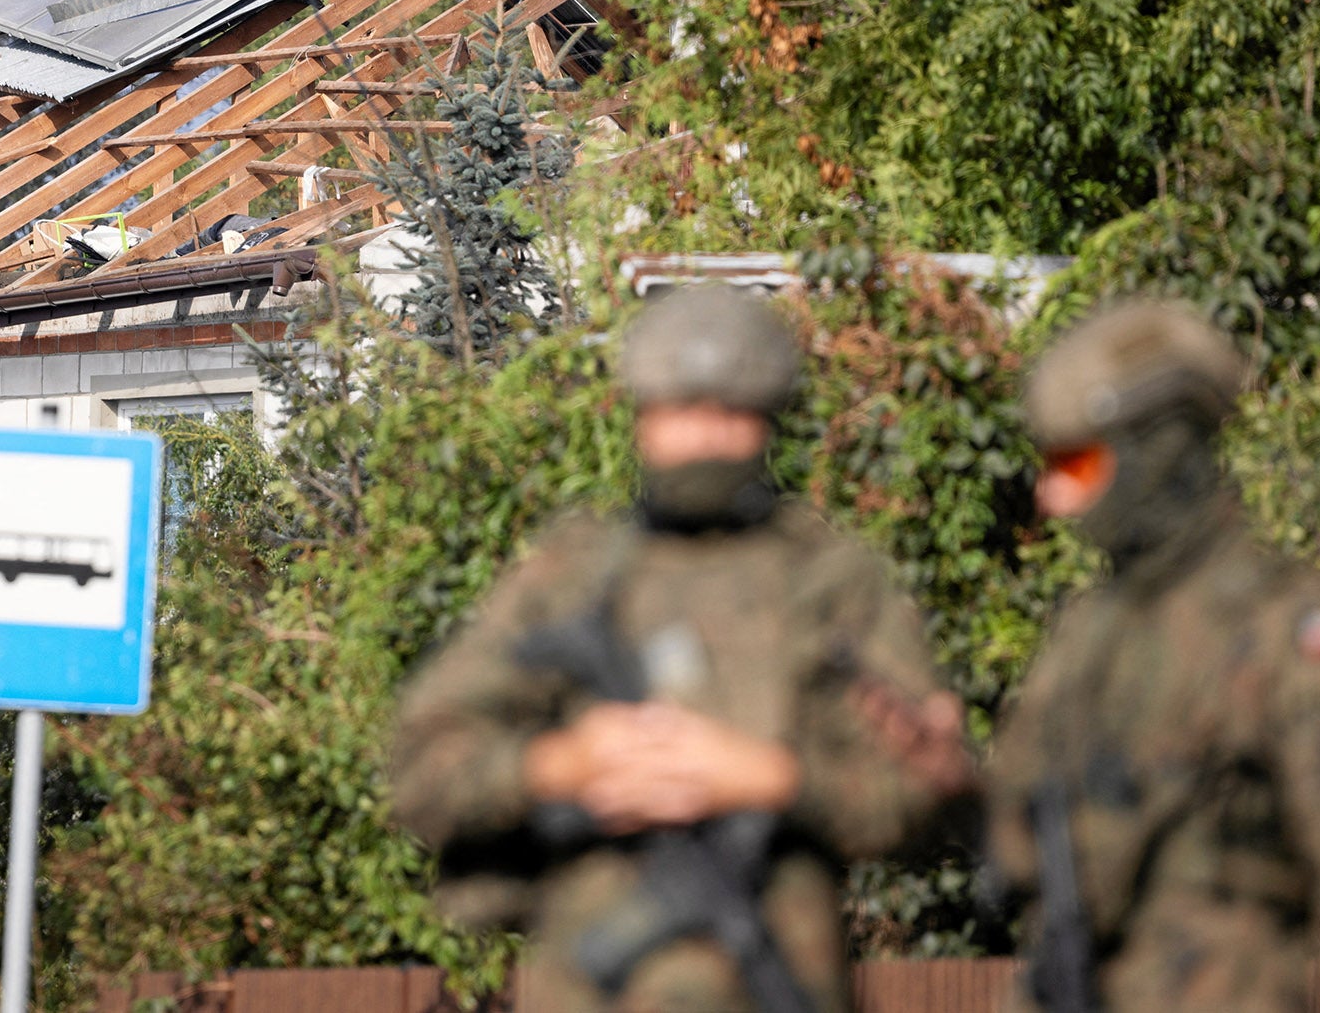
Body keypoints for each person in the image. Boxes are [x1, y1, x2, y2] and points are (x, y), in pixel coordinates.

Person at [390, 283, 972, 1013]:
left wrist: (774, 779)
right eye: (682, 412)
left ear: (770, 418)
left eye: (730, 413)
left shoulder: (829, 578)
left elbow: (933, 787)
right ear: (640, 417)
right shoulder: (573, 576)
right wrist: (562, 764)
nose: (704, 437)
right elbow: (421, 766)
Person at [985, 300, 1320, 1013]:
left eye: (1077, 462)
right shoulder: (1084, 628)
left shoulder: (1306, 623)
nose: (1054, 497)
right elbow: (1012, 833)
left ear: (1154, 450)